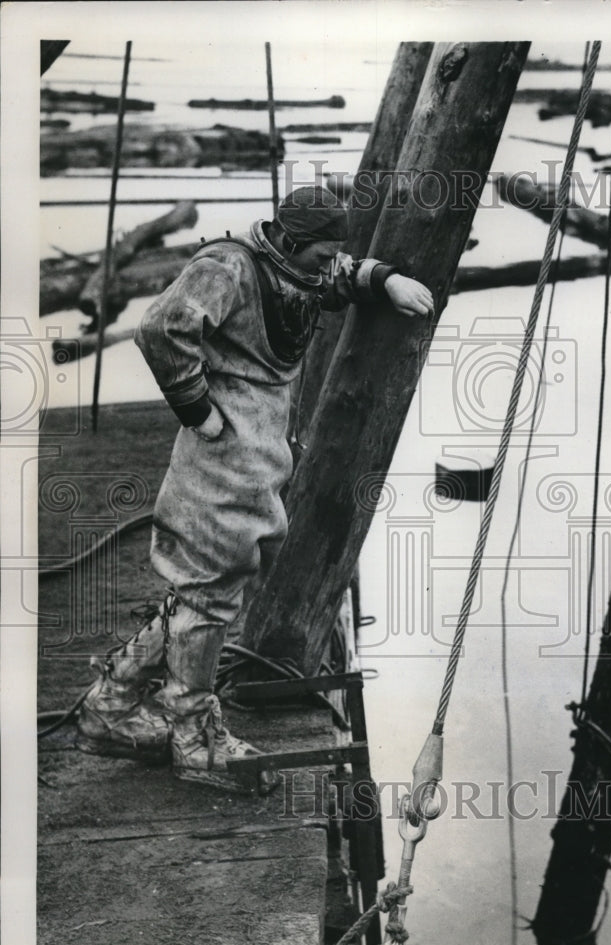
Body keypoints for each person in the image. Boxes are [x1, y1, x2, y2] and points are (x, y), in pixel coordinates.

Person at [76, 185, 433, 792]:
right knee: (210, 593)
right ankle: (193, 737)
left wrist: (383, 279)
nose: (328, 266)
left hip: (258, 451)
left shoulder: (293, 261)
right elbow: (162, 329)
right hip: (223, 454)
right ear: (291, 241)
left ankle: (109, 704)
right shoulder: (228, 266)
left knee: (208, 587)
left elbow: (334, 273)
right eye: (319, 255)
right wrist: (199, 413)